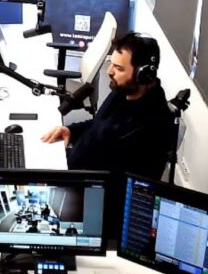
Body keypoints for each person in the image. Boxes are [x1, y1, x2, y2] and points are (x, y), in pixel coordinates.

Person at [42, 32, 174, 179]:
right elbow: (99, 123)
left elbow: (110, 180)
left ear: (143, 75)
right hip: (73, 166)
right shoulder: (125, 90)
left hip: (83, 183)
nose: (109, 71)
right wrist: (71, 131)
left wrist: (59, 175)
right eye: (111, 63)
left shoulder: (147, 128)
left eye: (119, 68)